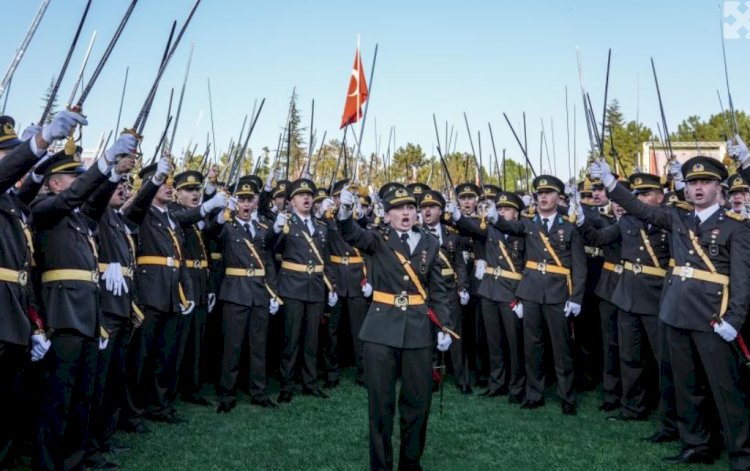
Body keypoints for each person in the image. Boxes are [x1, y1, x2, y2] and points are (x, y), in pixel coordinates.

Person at [592, 156, 750, 467]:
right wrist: (611, 183)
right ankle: (696, 444)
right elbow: (640, 209)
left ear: (720, 187)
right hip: (676, 313)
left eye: (705, 182)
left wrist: (734, 319)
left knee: (725, 387)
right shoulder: (678, 219)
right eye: (692, 183)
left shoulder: (736, 227)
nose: (698, 188)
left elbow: (743, 282)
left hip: (713, 317)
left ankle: (741, 452)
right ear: (686, 190)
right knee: (686, 385)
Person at [32, 122, 136, 470]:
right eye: (72, 177)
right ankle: (49, 464)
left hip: (88, 315)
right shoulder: (45, 209)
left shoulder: (79, 219)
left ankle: (75, 460)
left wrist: (113, 169)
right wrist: (104, 160)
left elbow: (95, 199)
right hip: (62, 315)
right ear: (54, 183)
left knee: (82, 396)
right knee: (57, 399)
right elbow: (76, 197)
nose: (78, 181)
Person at [338, 185, 453, 471]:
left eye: (410, 208)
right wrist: (343, 210)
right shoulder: (377, 239)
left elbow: (439, 290)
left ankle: (410, 464)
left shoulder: (429, 242)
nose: (406, 213)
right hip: (380, 329)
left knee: (418, 404)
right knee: (380, 405)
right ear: (386, 215)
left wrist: (444, 326)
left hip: (418, 330)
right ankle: (380, 466)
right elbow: (351, 232)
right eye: (398, 209)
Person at [454, 175, 587, 415]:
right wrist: (495, 217)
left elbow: (579, 267)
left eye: (548, 193)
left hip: (558, 293)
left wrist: (576, 297)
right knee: (531, 346)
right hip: (531, 291)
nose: (543, 197)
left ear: (559, 198)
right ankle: (533, 394)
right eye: (539, 194)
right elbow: (509, 226)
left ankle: (567, 396)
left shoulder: (569, 227)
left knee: (561, 348)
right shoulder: (529, 224)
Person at [451, 191, 526, 402]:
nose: (502, 212)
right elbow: (472, 227)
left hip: (512, 291)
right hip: (490, 290)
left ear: (517, 214)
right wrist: (457, 216)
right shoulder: (490, 229)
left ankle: (517, 386)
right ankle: (496, 383)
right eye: (499, 209)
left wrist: (521, 295)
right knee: (493, 342)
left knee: (514, 342)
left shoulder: (523, 232)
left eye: (507, 209)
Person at [214, 176, 279, 411]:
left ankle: (259, 392)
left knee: (258, 346)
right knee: (232, 346)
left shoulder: (263, 228)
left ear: (255, 202)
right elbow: (212, 233)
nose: (246, 204)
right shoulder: (227, 226)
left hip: (259, 293)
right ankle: (227, 395)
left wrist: (273, 292)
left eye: (249, 200)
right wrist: (221, 214)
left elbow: (269, 261)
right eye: (241, 199)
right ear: (235, 202)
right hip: (235, 292)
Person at [272, 178, 337, 403]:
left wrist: (332, 286)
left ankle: (310, 383)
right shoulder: (286, 222)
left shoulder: (321, 226)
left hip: (316, 287)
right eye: (301, 195)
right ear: (291, 201)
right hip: (292, 286)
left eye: (309, 194)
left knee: (312, 339)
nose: (307, 198)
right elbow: (272, 249)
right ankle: (287, 384)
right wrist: (277, 229)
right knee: (291, 339)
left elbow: (326, 259)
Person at [420, 189, 471, 394]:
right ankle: (433, 378)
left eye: (431, 207)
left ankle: (462, 378)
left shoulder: (452, 235)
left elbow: (459, 264)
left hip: (450, 288)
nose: (427, 211)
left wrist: (463, 287)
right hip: (427, 290)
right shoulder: (416, 233)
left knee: (455, 334)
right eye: (424, 208)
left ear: (440, 210)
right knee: (429, 337)